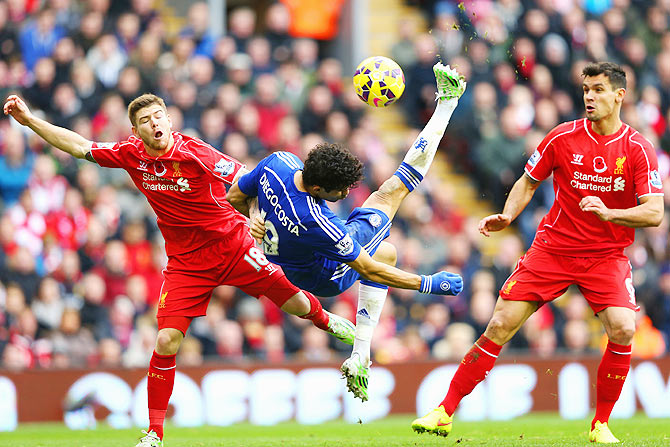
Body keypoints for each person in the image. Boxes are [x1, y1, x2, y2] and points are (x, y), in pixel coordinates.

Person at [3, 93, 357, 447]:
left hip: (233, 244)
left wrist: (254, 213)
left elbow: (249, 180)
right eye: (146, 120)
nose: (154, 123)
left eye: (159, 116)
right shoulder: (131, 154)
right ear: (135, 130)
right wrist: (31, 120)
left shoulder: (197, 153)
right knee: (166, 340)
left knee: (293, 301)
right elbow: (80, 146)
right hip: (187, 263)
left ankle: (329, 322)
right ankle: (155, 433)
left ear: (170, 120)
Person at [411, 62, 664, 444]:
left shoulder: (638, 150)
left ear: (619, 96)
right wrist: (508, 214)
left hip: (606, 255)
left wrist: (610, 213)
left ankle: (601, 425)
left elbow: (654, 211)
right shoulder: (562, 137)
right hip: (553, 250)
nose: (589, 97)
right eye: (585, 90)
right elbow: (529, 180)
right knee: (498, 325)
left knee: (625, 328)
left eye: (598, 90)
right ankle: (444, 411)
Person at [226, 62, 467, 401]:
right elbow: (366, 269)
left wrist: (255, 215)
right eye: (340, 191)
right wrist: (426, 284)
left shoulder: (278, 162)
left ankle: (360, 355)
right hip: (322, 276)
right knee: (392, 195)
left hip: (290, 256)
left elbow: (235, 195)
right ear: (320, 187)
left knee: (385, 251)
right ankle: (447, 104)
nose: (344, 196)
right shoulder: (318, 223)